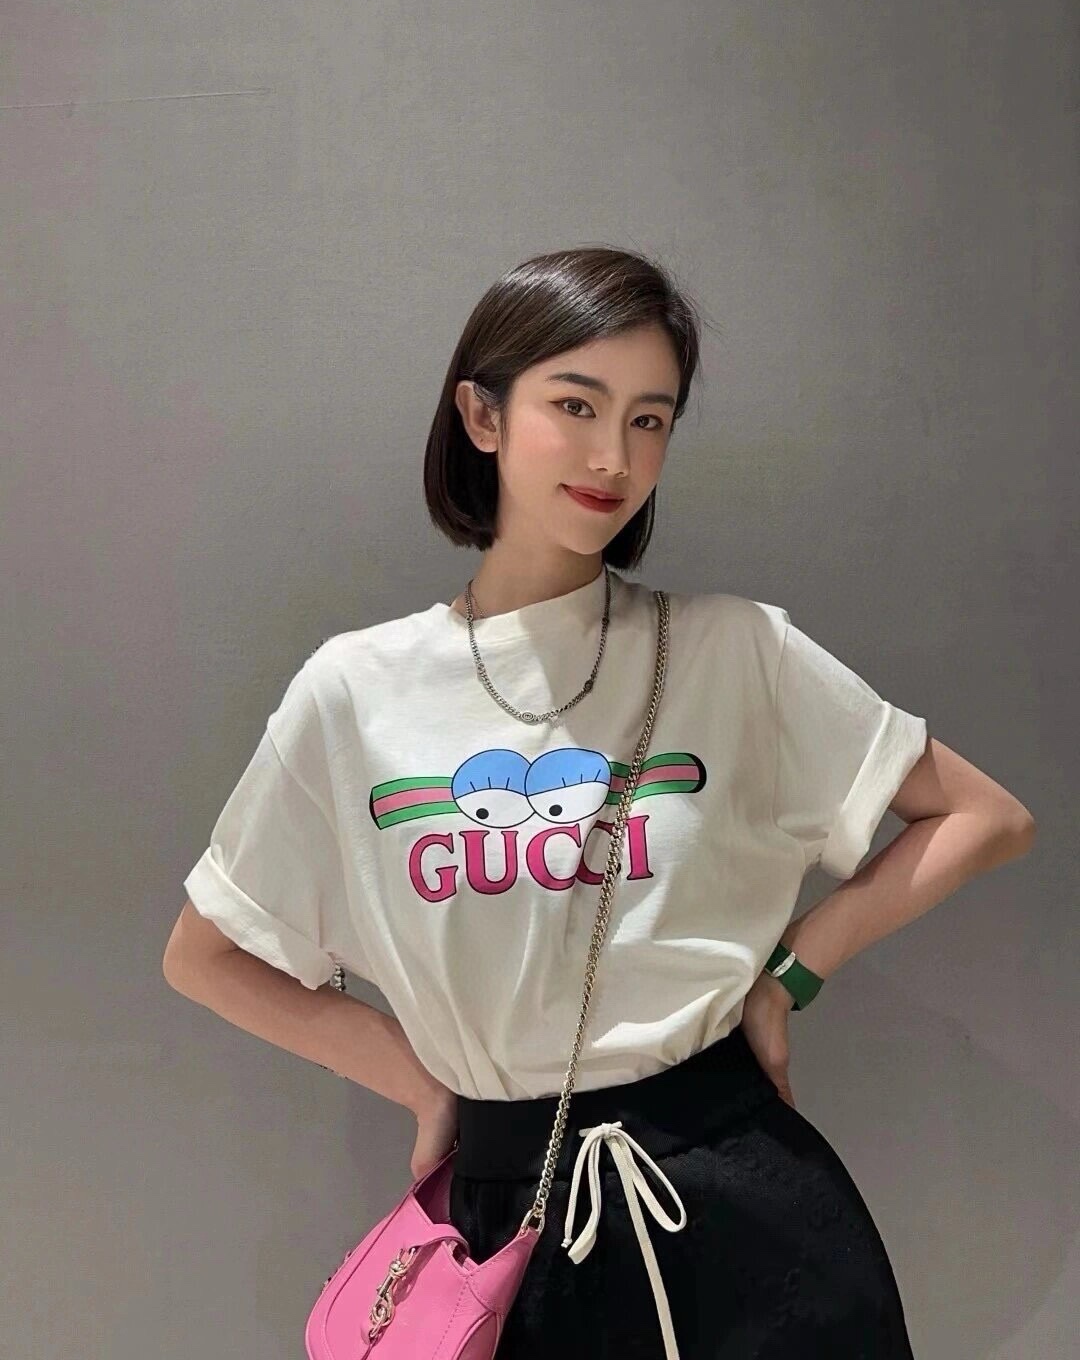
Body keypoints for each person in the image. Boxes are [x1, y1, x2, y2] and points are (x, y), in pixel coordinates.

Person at [163, 245, 1036, 1359]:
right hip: (507, 1229)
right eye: (576, 405)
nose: (613, 455)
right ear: (482, 415)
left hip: (743, 1209)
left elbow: (984, 816)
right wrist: (424, 1087)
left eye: (648, 419)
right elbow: (206, 954)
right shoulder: (357, 691)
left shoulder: (734, 651)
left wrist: (791, 976)